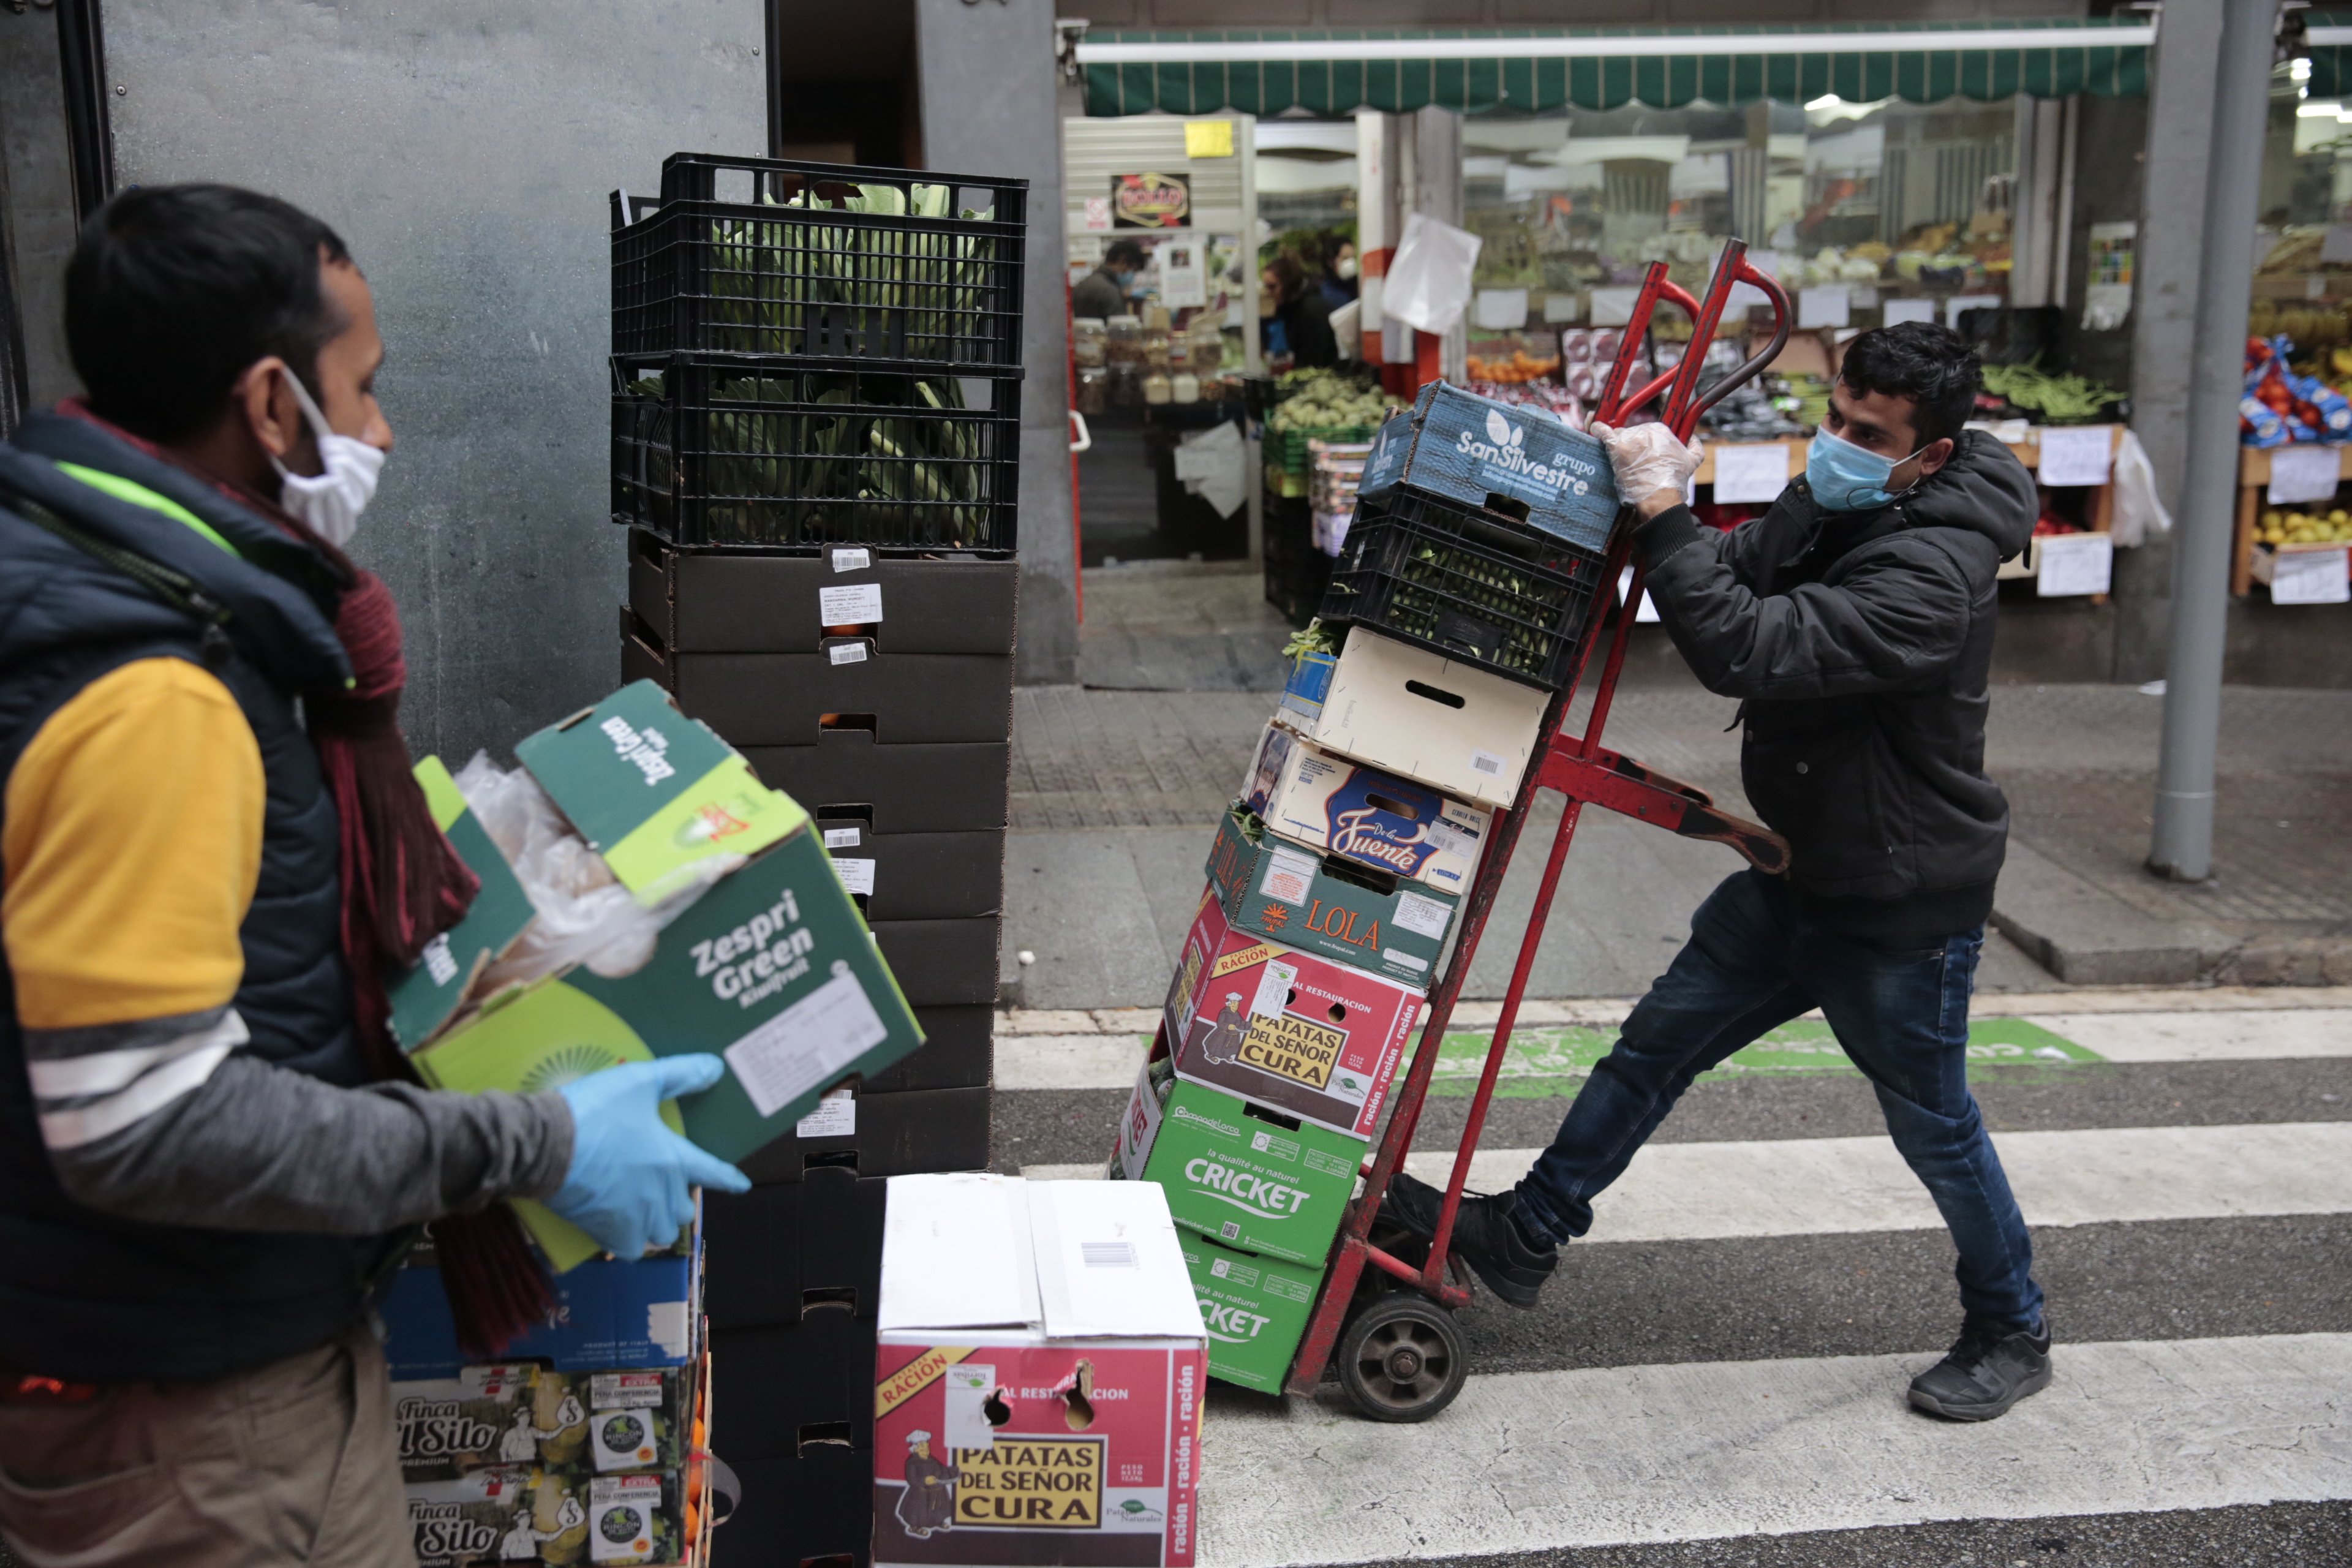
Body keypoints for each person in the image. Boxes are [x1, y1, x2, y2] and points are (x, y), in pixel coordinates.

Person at [0, 183, 750, 1567]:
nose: (384, 431)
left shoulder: (100, 590)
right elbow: (142, 1127)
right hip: (194, 1428)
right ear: (274, 404)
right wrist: (544, 1140)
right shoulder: (152, 691)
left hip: (164, 1362)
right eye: (365, 388)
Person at [1385, 322, 2050, 1423]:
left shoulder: (1932, 573)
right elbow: (1735, 574)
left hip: (1895, 901)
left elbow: (1745, 646)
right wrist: (1650, 511)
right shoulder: (1849, 495)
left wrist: (1663, 514)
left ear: (1929, 454)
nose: (1834, 440)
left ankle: (2011, 1327)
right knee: (1654, 1047)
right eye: (1833, 414)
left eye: (1865, 432)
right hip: (1797, 868)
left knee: (1934, 1126)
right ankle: (1528, 1233)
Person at [1262, 252, 1338, 369]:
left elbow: (1314, 361)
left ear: (1288, 283)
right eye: (1266, 287)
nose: (1269, 293)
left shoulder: (1311, 310)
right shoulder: (1291, 308)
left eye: (1272, 287)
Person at [1072, 238, 1147, 322]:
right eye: (1132, 269)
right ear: (1122, 260)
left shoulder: (1084, 283)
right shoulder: (1110, 291)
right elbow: (1120, 329)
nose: (1131, 276)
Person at [1319, 237, 1360, 309]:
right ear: (1330, 262)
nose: (1351, 263)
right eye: (1345, 258)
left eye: (1353, 257)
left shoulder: (1359, 286)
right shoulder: (1325, 295)